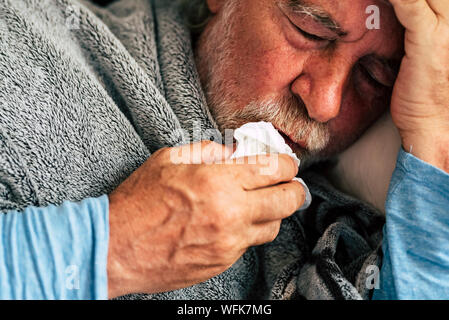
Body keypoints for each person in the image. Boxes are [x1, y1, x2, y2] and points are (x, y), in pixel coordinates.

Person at [0, 0, 447, 300]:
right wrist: (118, 246)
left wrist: (431, 131)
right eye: (309, 30)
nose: (325, 103)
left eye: (374, 77)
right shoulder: (20, 48)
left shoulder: (339, 239)